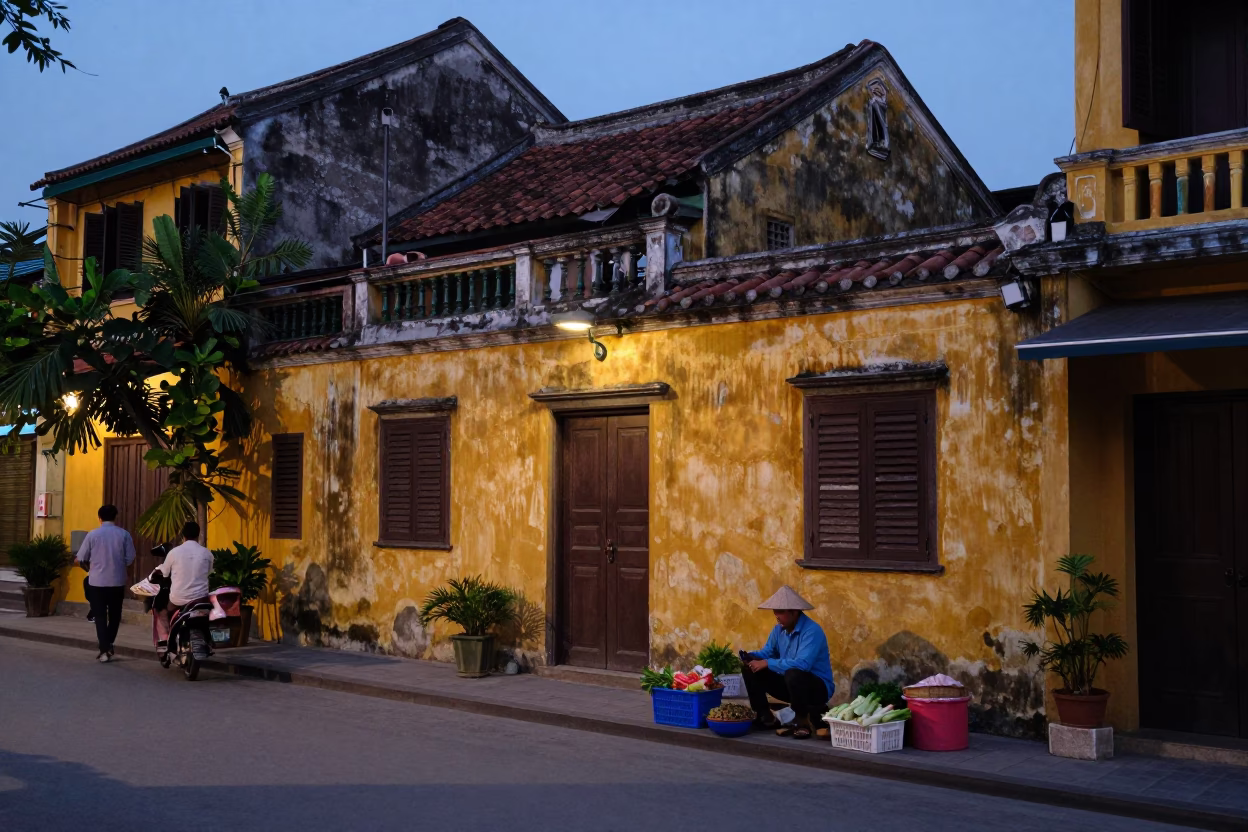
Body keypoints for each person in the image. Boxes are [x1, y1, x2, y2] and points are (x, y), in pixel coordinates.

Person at [742, 585, 835, 740]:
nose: (776, 616)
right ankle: (765, 717)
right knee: (750, 668)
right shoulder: (778, 629)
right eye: (775, 612)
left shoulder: (812, 631)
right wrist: (751, 656)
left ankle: (802, 721)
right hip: (791, 686)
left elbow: (803, 664)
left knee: (794, 673)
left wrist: (767, 663)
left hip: (817, 689)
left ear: (794, 612)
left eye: (780, 612)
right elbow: (768, 652)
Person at [75, 505, 136, 663]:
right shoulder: (124, 534)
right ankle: (108, 645)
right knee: (115, 616)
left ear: (99, 518)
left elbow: (81, 557)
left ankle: (104, 649)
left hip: (97, 582)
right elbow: (130, 558)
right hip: (117, 581)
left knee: (100, 616)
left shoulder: (92, 535)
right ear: (116, 517)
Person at [151, 521, 214, 651]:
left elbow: (165, 573)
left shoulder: (174, 553)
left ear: (183, 535)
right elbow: (209, 572)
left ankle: (166, 640)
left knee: (162, 611)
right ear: (198, 535)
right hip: (201, 599)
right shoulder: (207, 553)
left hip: (179, 599)